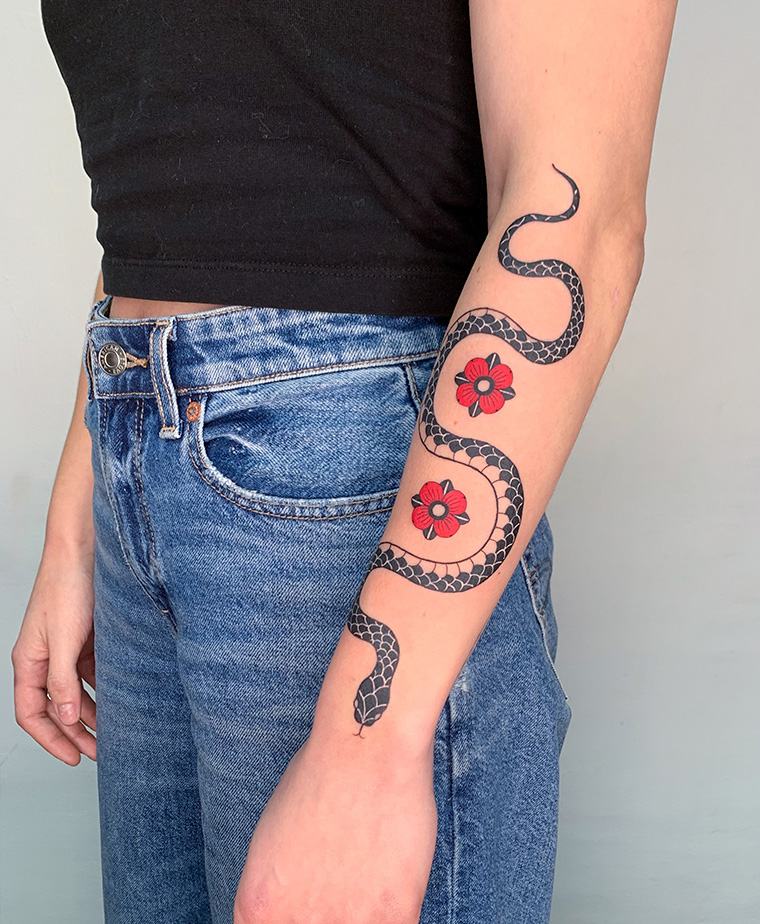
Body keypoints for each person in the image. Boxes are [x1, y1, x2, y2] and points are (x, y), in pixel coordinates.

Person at [12, 1, 678, 922]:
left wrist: (370, 743)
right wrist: (79, 522)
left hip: (355, 483)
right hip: (140, 441)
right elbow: (186, 186)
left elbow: (577, 212)